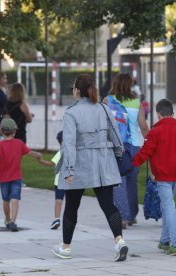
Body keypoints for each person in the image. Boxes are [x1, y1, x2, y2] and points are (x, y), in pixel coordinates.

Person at [52, 74, 128, 262]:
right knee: (108, 204)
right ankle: (119, 241)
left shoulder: (71, 112)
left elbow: (68, 144)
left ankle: (66, 247)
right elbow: (116, 136)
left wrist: (68, 169)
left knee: (71, 206)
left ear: (77, 90)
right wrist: (118, 156)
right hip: (103, 162)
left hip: (79, 163)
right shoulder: (103, 108)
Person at [132, 99, 176, 256]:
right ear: (173, 114)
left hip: (162, 176)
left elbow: (145, 153)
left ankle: (175, 244)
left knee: (168, 207)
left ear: (158, 115)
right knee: (166, 206)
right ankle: (164, 240)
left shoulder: (155, 132)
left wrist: (131, 164)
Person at [103, 73, 149, 229]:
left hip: (115, 145)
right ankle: (132, 214)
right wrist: (151, 145)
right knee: (131, 180)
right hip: (134, 146)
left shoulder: (108, 101)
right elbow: (143, 127)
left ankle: (122, 216)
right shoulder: (137, 102)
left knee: (118, 181)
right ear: (129, 85)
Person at [0, 118, 41, 232]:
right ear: (14, 131)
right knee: (14, 199)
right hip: (15, 177)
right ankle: (11, 220)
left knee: (7, 199)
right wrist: (38, 155)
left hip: (6, 177)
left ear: (2, 131)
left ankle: (10, 220)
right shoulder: (19, 143)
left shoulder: (0, 145)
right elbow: (30, 152)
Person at [37, 130, 65, 230]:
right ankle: (68, 219)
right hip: (71, 183)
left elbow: (50, 164)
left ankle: (57, 219)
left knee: (58, 201)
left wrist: (40, 161)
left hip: (60, 182)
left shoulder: (61, 152)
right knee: (71, 202)